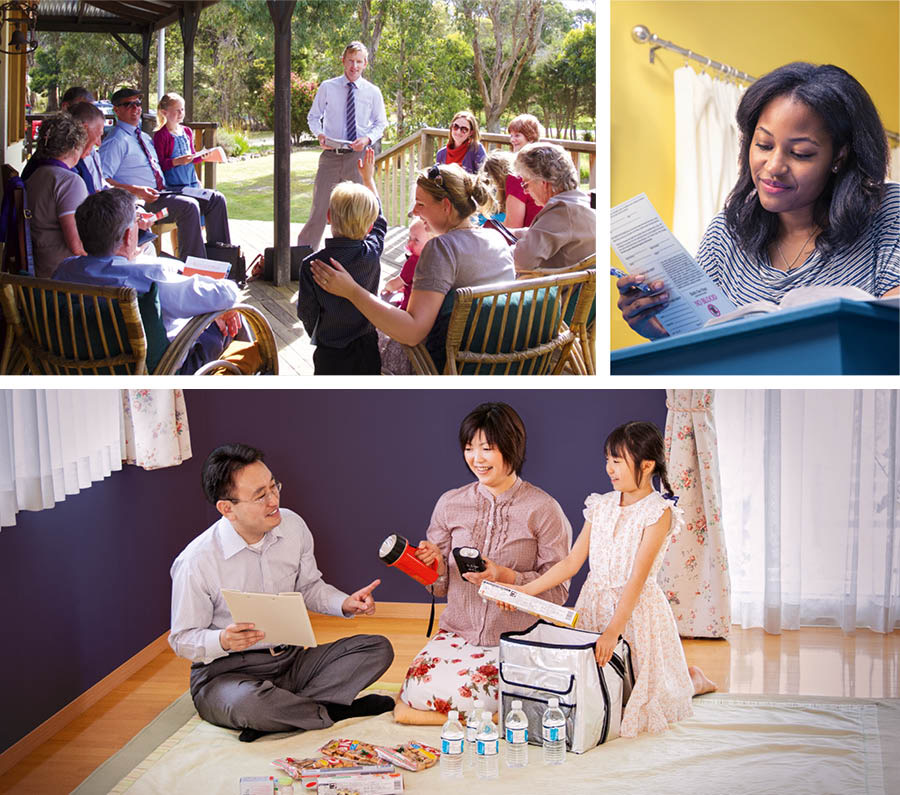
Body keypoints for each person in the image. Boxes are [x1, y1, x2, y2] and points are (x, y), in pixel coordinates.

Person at [616, 62, 900, 339]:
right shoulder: (726, 234)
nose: (774, 166)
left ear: (839, 156)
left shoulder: (889, 215)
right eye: (764, 145)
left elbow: (890, 338)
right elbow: (703, 346)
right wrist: (664, 333)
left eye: (800, 153)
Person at [500, 421, 717, 737]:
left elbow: (637, 579)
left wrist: (613, 632)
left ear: (647, 465)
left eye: (617, 461)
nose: (609, 469)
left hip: (634, 610)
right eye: (607, 460)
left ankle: (692, 680)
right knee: (596, 690)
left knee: (644, 697)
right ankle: (684, 676)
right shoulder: (600, 505)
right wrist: (525, 591)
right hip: (594, 604)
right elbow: (572, 563)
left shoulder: (658, 513)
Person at [169, 444, 395, 742]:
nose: (273, 500)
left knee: (377, 649)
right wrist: (222, 639)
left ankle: (280, 715)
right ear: (227, 508)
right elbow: (182, 639)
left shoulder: (293, 526)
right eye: (260, 495)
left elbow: (309, 587)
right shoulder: (196, 561)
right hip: (226, 674)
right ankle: (329, 710)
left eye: (273, 486)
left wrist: (345, 603)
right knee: (249, 703)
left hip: (291, 661)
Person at [396, 403, 571, 722]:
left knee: (474, 696)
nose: (476, 458)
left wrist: (506, 577)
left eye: (487, 448)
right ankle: (493, 718)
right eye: (469, 448)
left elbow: (557, 593)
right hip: (458, 633)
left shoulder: (543, 509)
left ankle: (483, 714)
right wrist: (434, 565)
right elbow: (438, 588)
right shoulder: (450, 503)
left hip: (517, 636)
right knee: (414, 694)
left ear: (511, 447)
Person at [311, 163, 514, 373]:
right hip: (500, 366)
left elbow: (412, 333)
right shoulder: (496, 238)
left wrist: (351, 291)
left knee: (369, 340)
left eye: (420, 204)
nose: (414, 211)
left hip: (447, 370)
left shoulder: (442, 248)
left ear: (446, 206)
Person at [53, 188, 241, 373]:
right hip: (159, 371)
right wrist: (221, 312)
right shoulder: (150, 280)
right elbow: (227, 293)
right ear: (128, 235)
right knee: (227, 317)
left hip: (81, 367)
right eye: (137, 221)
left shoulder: (64, 270)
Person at [99, 87, 231, 261]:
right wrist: (136, 191)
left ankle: (223, 262)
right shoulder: (116, 141)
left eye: (138, 103)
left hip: (165, 192)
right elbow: (102, 181)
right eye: (128, 105)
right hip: (142, 203)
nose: (135, 108)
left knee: (215, 199)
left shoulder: (144, 137)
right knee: (188, 206)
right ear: (116, 110)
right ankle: (195, 269)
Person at [297, 148, 386, 375]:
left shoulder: (311, 265)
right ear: (369, 226)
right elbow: (380, 220)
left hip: (329, 352)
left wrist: (320, 334)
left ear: (329, 217)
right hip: (367, 347)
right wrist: (368, 179)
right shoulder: (371, 252)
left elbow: (307, 312)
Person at [297, 41, 387, 251]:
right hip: (331, 156)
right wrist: (319, 134)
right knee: (319, 209)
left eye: (359, 62)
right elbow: (313, 117)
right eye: (350, 61)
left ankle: (355, 256)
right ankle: (303, 256)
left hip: (358, 159)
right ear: (343, 61)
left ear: (365, 63)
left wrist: (367, 139)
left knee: (357, 210)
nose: (354, 66)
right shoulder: (328, 87)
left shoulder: (373, 92)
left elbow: (380, 123)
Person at [510, 141, 596, 273]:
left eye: (526, 184)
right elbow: (544, 232)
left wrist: (492, 249)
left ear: (543, 183)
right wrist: (510, 233)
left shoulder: (562, 211)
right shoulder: (579, 201)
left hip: (561, 286)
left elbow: (520, 260)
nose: (525, 191)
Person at [24, 113, 88, 277]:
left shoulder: (36, 175)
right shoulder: (69, 182)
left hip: (41, 268)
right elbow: (76, 247)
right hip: (62, 276)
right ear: (75, 146)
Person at [153, 92, 217, 191]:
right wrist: (176, 161)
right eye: (177, 110)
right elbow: (159, 164)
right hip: (174, 186)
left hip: (192, 182)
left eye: (182, 109)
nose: (181, 113)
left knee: (214, 197)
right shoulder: (161, 135)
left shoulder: (187, 131)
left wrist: (202, 156)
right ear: (164, 112)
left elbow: (191, 158)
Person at [381, 217, 433, 310]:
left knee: (382, 299)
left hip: (409, 308)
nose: (410, 242)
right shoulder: (435, 259)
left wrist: (386, 287)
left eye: (416, 240)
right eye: (409, 238)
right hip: (428, 309)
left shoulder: (414, 262)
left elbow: (395, 284)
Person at [504, 113, 544, 228]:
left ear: (531, 137)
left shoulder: (517, 175)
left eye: (517, 135)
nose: (512, 140)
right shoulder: (544, 166)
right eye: (511, 135)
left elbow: (513, 226)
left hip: (529, 235)